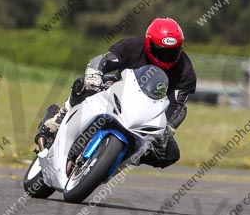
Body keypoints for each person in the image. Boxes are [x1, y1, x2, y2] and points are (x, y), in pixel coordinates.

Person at [35, 17, 196, 169]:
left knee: (170, 154)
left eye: (172, 52)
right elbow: (103, 60)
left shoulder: (185, 72)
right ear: (148, 43)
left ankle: (123, 155)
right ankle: (58, 119)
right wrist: (94, 75)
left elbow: (177, 105)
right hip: (117, 92)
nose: (166, 57)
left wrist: (167, 128)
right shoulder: (132, 46)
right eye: (161, 51)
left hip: (147, 114)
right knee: (83, 84)